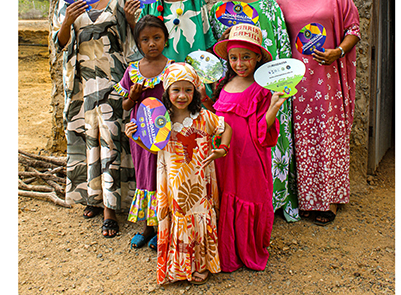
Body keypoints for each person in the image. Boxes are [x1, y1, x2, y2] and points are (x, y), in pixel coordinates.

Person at [52, 0, 141, 237]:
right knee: (86, 139)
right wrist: (68, 19)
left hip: (111, 81)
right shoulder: (66, 0)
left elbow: (133, 40)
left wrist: (130, 19)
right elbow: (60, 43)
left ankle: (110, 210)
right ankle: (92, 197)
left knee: (111, 141)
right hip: (80, 84)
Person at [208, 0, 300, 222]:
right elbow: (220, 54)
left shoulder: (269, 5)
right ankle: (233, 204)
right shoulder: (218, 9)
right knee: (235, 145)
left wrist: (281, 83)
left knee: (267, 136)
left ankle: (269, 199)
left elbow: (282, 42)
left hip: (266, 88)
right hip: (236, 92)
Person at [276, 0, 361, 226]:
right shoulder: (282, 2)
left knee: (329, 135)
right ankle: (309, 200)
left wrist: (338, 51)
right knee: (304, 140)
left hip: (328, 79)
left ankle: (332, 200)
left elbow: (353, 28)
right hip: (299, 83)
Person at [126, 63, 232, 285]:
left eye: (188, 89)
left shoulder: (203, 117)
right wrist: (135, 137)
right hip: (173, 186)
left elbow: (226, 127)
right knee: (178, 221)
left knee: (200, 218)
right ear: (166, 91)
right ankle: (179, 267)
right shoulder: (160, 121)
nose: (182, 95)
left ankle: (202, 265)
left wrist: (223, 148)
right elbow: (152, 148)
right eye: (176, 89)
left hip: (199, 186)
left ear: (195, 91)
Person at [210, 23, 287, 272]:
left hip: (248, 158)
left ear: (257, 58)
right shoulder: (224, 85)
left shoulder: (262, 89)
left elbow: (263, 131)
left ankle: (245, 249)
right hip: (224, 157)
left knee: (246, 198)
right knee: (224, 195)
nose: (239, 63)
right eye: (233, 57)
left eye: (246, 57)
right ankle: (224, 250)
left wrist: (274, 107)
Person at [114, 15, 173, 249]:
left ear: (166, 40)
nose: (151, 44)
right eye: (145, 39)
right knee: (145, 177)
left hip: (165, 135)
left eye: (157, 38)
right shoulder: (132, 71)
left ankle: (163, 228)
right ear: (138, 44)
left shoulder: (172, 69)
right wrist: (134, 97)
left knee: (163, 177)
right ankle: (147, 228)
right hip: (140, 136)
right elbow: (126, 106)